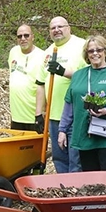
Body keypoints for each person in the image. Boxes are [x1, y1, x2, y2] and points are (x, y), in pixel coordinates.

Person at [58, 35, 106, 171]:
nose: (95, 53)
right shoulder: (79, 75)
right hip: (84, 135)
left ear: (105, 51)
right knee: (90, 180)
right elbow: (69, 104)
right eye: (91, 51)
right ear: (86, 54)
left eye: (99, 50)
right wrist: (62, 130)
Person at [35, 16, 87, 172]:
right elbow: (40, 83)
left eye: (60, 26)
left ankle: (76, 192)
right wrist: (39, 113)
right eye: (53, 28)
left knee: (75, 158)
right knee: (59, 157)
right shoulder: (48, 52)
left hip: (76, 114)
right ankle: (62, 190)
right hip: (54, 115)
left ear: (69, 28)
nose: (56, 30)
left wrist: (63, 71)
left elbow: (89, 75)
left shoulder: (82, 46)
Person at [7, 24, 46, 131]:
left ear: (32, 37)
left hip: (34, 115)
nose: (23, 39)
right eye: (19, 36)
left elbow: (44, 85)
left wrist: (40, 113)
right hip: (16, 116)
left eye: (26, 35)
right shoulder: (13, 52)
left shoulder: (43, 56)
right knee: (16, 147)